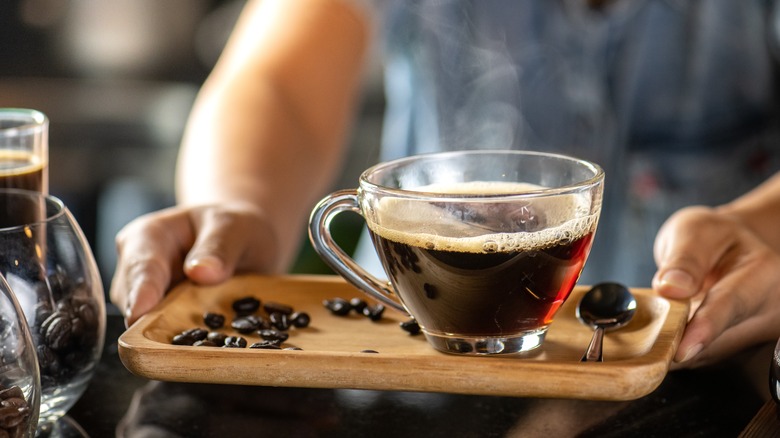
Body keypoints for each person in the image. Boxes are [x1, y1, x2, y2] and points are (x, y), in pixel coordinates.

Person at [111, 0, 780, 369]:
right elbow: (277, 82)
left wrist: (760, 227)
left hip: (706, 370)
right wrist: (239, 201)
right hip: (414, 378)